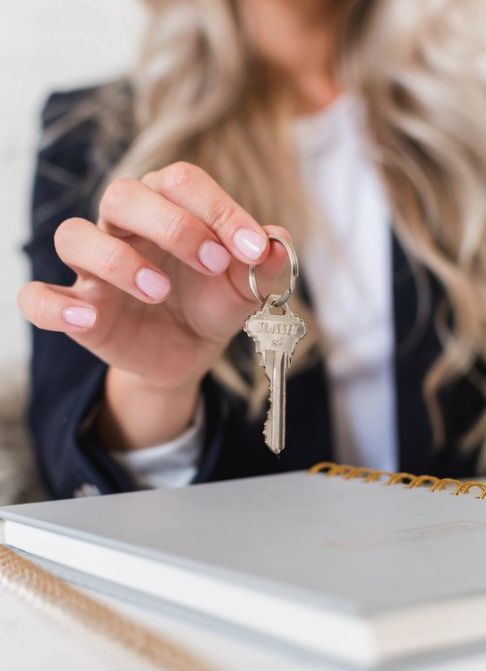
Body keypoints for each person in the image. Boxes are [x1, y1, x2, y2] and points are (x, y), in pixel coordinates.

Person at [18, 0, 486, 499]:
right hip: (231, 563)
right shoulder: (93, 134)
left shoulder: (467, 117)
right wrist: (155, 385)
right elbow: (69, 479)